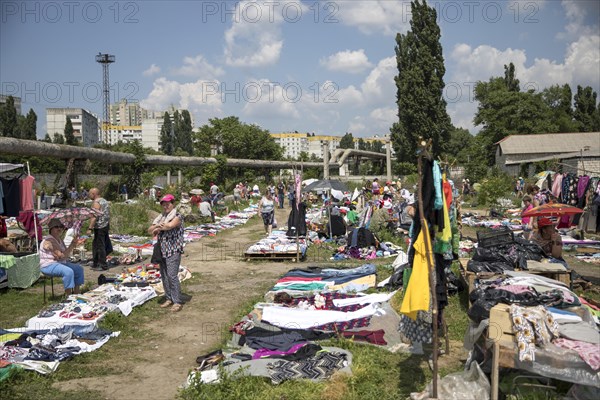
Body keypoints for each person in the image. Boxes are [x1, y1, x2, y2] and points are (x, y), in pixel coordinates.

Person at [148, 194, 185, 313]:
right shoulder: (161, 217)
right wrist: (158, 226)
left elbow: (170, 225)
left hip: (173, 249)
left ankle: (177, 301)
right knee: (164, 275)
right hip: (162, 250)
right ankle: (169, 298)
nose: (165, 206)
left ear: (172, 203)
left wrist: (158, 227)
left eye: (167, 204)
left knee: (172, 275)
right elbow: (150, 230)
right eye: (163, 204)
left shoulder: (178, 216)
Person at [39, 218, 84, 296]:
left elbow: (65, 254)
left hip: (60, 262)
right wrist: (72, 245)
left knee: (79, 269)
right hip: (48, 265)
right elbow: (61, 256)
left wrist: (73, 244)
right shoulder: (49, 240)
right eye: (56, 227)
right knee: (68, 271)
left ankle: (77, 293)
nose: (59, 228)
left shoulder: (59, 239)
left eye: (61, 227)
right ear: (51, 229)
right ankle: (69, 296)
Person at [87, 188, 111, 271]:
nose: (88, 195)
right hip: (105, 225)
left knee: (100, 246)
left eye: (90, 193)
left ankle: (103, 265)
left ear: (94, 194)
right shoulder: (104, 201)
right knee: (96, 245)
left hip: (100, 226)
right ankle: (96, 262)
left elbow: (94, 217)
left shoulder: (96, 202)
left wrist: (90, 228)